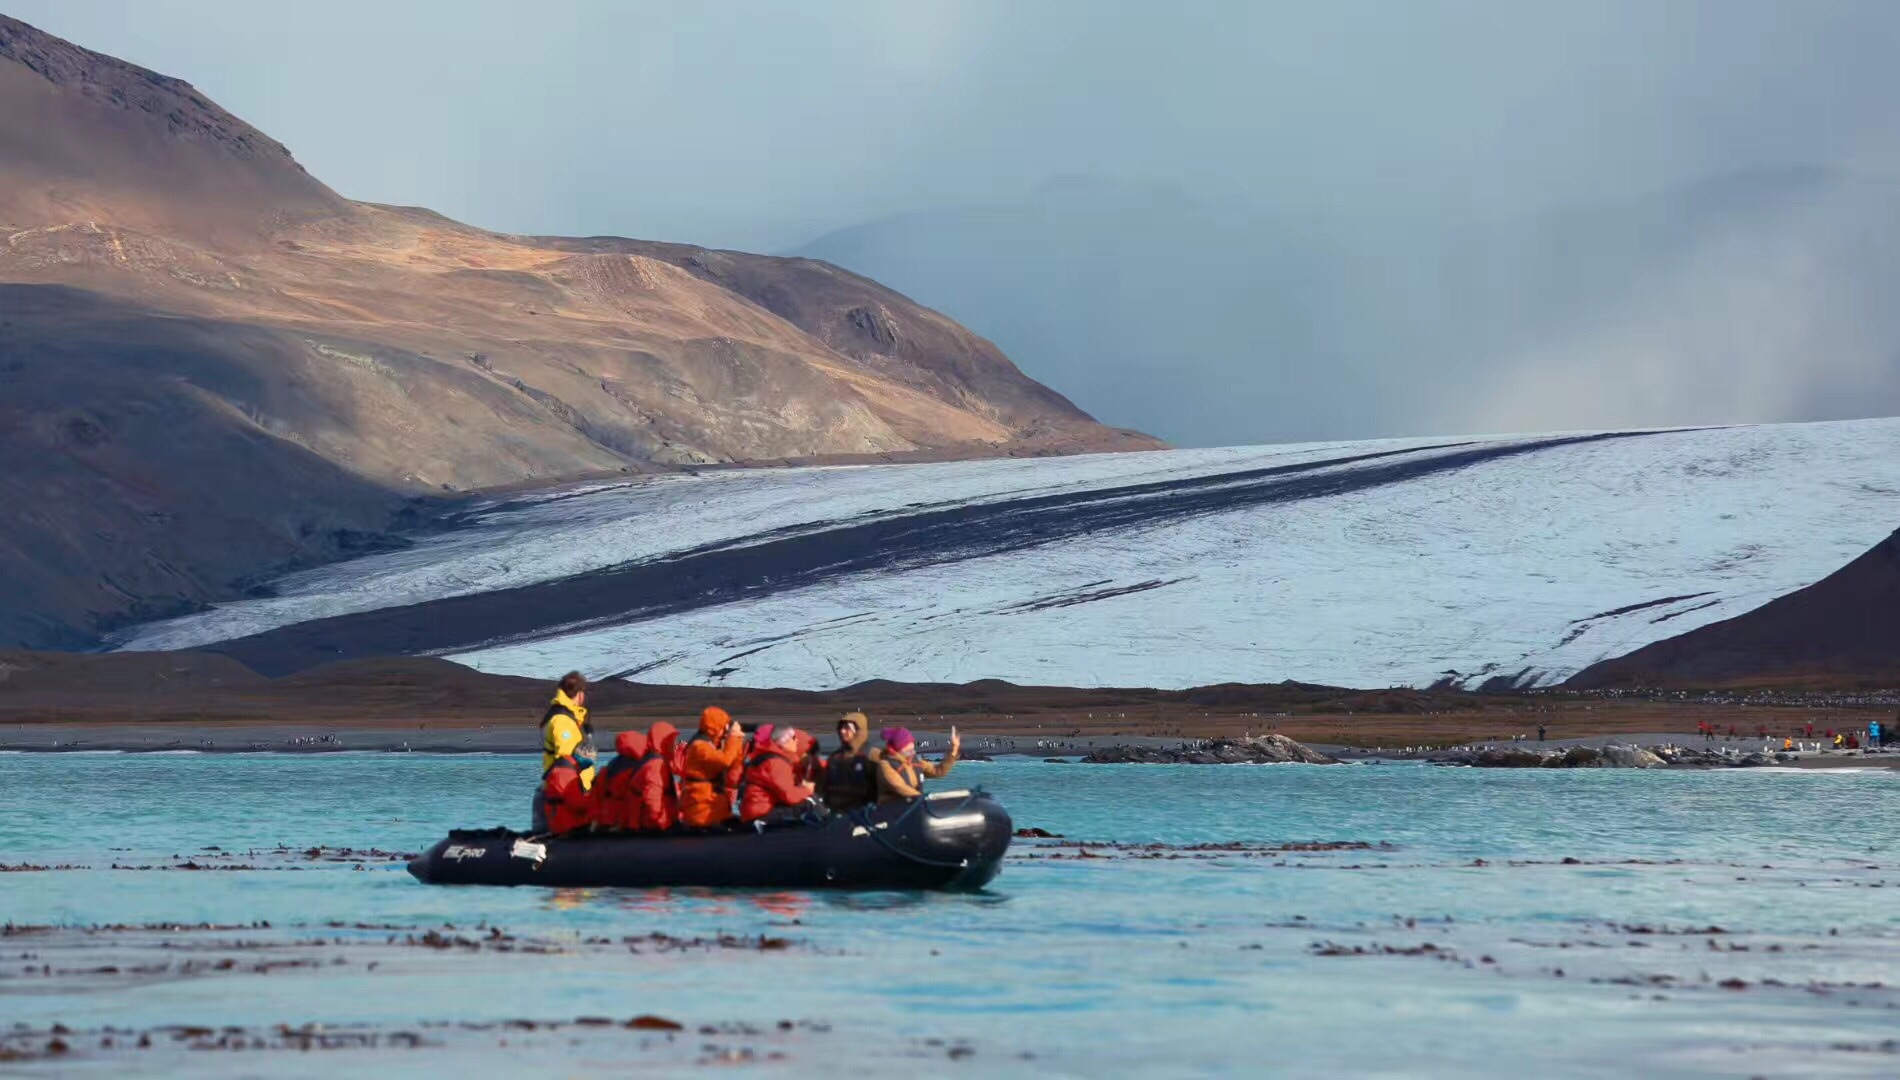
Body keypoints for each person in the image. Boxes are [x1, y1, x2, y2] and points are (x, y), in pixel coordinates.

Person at [678, 707, 746, 829]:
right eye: (725, 726)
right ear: (717, 727)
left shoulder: (708, 744)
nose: (726, 730)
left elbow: (730, 765)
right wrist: (735, 738)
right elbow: (725, 761)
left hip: (710, 803)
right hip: (701, 807)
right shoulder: (699, 746)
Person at [740, 727, 818, 824]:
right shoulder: (777, 763)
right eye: (794, 738)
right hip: (762, 813)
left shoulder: (768, 756)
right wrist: (806, 790)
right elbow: (789, 796)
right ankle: (828, 829)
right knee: (809, 801)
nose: (796, 740)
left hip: (753, 810)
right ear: (784, 741)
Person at [876, 726, 961, 804]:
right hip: (894, 809)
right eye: (908, 751)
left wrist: (954, 750)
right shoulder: (886, 765)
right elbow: (901, 788)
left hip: (914, 805)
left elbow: (938, 771)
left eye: (912, 749)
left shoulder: (914, 761)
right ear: (898, 750)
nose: (912, 753)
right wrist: (925, 800)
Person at [816, 711, 882, 814]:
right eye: (841, 728)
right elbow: (824, 787)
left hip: (864, 814)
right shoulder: (834, 758)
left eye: (847, 728)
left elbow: (883, 789)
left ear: (859, 731)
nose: (842, 731)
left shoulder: (873, 756)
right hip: (835, 814)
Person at [594, 730, 649, 830]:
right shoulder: (642, 768)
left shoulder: (609, 768)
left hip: (606, 820)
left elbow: (597, 795)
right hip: (627, 822)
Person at [634, 722, 681, 831]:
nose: (675, 745)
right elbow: (652, 800)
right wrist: (665, 826)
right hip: (655, 828)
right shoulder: (656, 766)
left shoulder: (653, 761)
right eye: (672, 741)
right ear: (663, 742)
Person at [539, 753, 596, 834]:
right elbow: (577, 804)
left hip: (554, 821)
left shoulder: (556, 770)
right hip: (568, 825)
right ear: (578, 765)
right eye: (581, 768)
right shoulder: (568, 774)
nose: (581, 771)